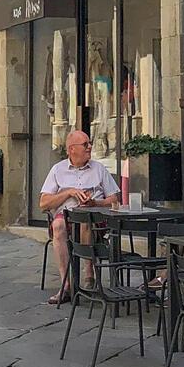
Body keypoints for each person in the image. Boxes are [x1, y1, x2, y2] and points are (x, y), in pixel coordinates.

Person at [37, 129, 120, 304]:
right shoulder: (57, 170)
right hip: (66, 216)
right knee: (58, 226)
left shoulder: (99, 169)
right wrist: (68, 193)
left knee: (85, 221)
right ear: (72, 149)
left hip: (95, 219)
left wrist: (95, 203)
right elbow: (43, 203)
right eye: (85, 144)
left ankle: (88, 272)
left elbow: (114, 200)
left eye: (89, 143)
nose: (89, 147)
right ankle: (66, 285)